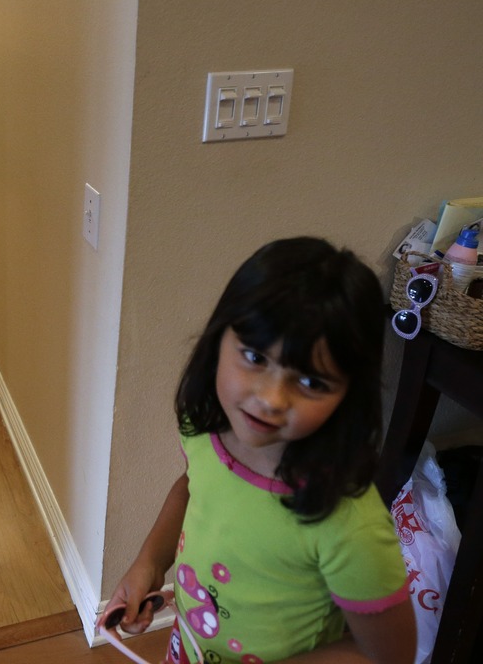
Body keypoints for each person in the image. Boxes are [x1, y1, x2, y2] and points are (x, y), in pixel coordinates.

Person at [97, 237, 416, 664]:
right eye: (253, 356)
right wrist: (150, 563)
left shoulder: (348, 525)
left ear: (348, 396)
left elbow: (387, 655)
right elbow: (192, 486)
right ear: (217, 340)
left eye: (311, 382)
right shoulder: (205, 430)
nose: (270, 398)